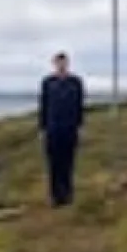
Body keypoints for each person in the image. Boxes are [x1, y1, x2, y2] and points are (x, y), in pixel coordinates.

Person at [38, 51, 85, 207]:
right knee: (53, 163)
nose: (61, 65)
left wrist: (80, 126)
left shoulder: (75, 82)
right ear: (54, 64)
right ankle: (55, 196)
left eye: (64, 62)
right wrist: (42, 128)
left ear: (68, 64)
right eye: (58, 62)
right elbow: (43, 105)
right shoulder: (48, 82)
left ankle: (68, 195)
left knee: (68, 162)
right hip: (53, 128)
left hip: (70, 128)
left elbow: (80, 105)